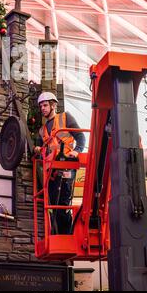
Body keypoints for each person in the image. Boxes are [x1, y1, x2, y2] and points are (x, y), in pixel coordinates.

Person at [34, 92, 85, 235]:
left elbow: (80, 136)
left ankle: (67, 235)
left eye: (45, 105)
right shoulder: (42, 130)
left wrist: (77, 151)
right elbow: (38, 148)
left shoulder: (65, 117)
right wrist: (37, 148)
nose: (42, 108)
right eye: (40, 106)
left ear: (53, 105)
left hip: (66, 165)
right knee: (53, 204)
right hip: (52, 171)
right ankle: (56, 234)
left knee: (63, 202)